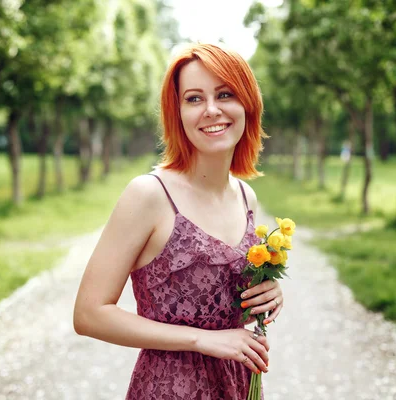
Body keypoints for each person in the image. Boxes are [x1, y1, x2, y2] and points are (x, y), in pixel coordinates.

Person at [73, 43, 285, 399]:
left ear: (247, 103)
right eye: (194, 99)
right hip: (170, 389)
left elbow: (221, 315)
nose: (212, 110)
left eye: (224, 94)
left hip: (236, 385)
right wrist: (203, 341)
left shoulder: (247, 197)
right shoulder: (149, 195)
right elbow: (89, 314)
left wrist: (266, 298)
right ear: (178, 112)